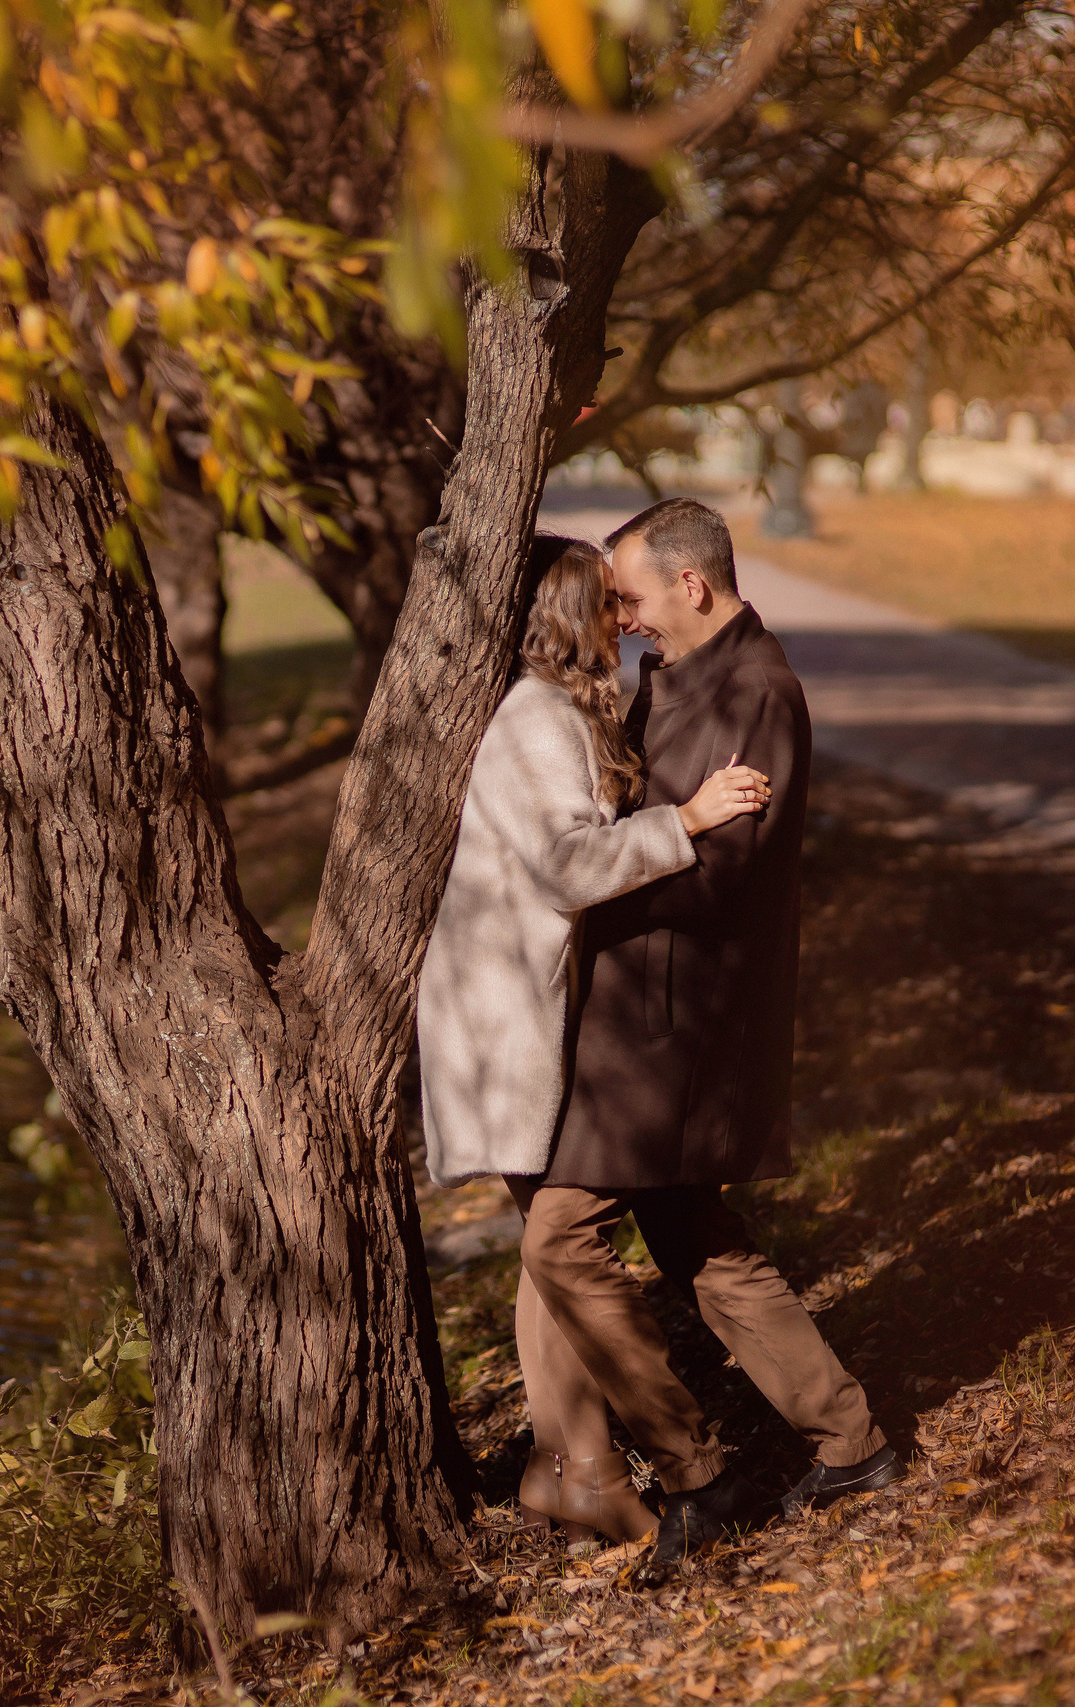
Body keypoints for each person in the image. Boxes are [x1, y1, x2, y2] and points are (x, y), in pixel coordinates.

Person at [538, 497, 901, 1586]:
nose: (623, 619)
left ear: (691, 585)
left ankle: (699, 1476)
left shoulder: (757, 693)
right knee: (698, 1238)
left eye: (632, 598)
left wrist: (597, 871)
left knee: (560, 1236)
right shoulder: (673, 677)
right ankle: (852, 1443)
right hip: (635, 1010)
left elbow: (724, 875)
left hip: (674, 1021)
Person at [416, 532, 776, 1546]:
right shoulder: (538, 719)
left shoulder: (558, 709)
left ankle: (571, 1470)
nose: (627, 618)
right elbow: (566, 866)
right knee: (559, 1239)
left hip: (519, 1004)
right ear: (571, 615)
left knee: (552, 1247)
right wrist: (688, 820)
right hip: (506, 1018)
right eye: (608, 603)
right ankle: (593, 1470)